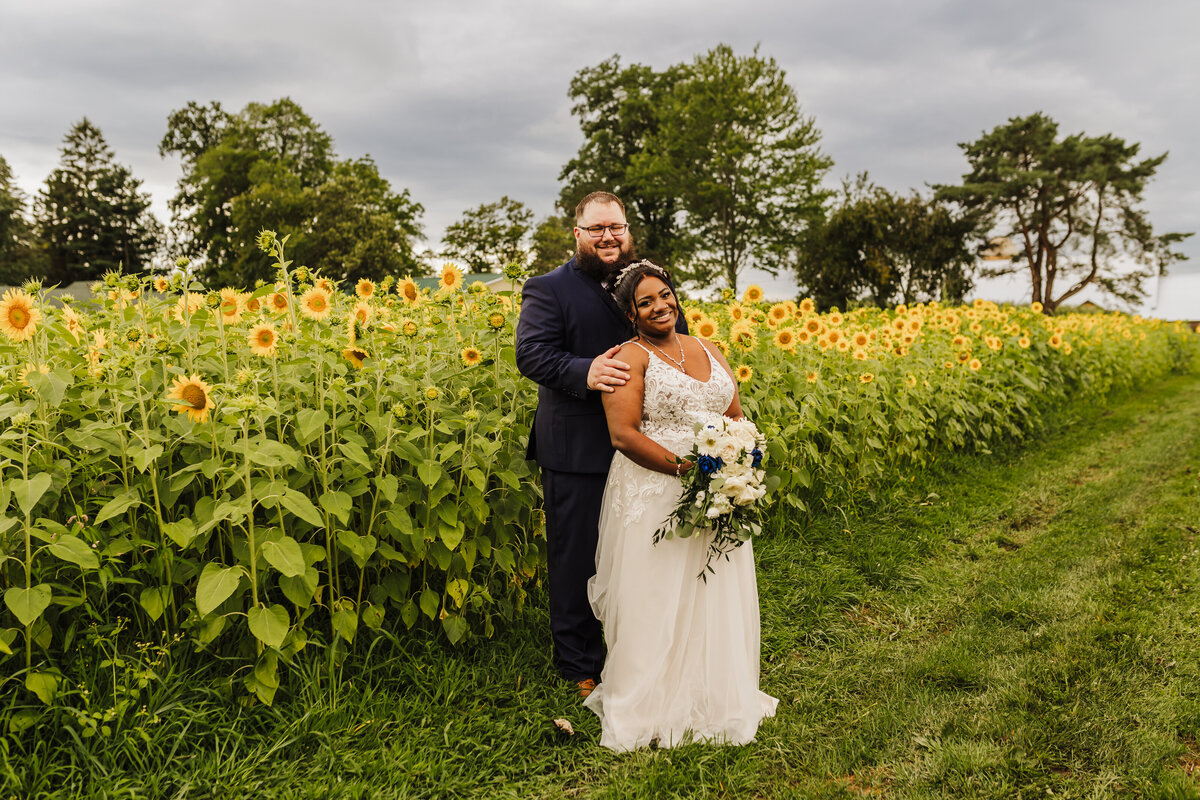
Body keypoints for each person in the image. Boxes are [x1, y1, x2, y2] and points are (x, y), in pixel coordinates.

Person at [583, 260, 777, 751]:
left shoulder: (707, 347)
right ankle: (651, 700)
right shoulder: (629, 357)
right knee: (658, 592)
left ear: (675, 296)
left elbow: (733, 414)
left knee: (713, 589)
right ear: (631, 313)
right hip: (659, 487)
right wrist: (691, 473)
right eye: (645, 302)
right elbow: (623, 435)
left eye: (664, 295)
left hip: (717, 488)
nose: (659, 306)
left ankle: (718, 693)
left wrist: (738, 464)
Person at [515, 192, 687, 697]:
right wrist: (585, 370)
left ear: (628, 230)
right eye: (597, 229)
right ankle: (578, 663)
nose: (608, 237)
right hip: (577, 446)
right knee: (577, 558)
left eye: (616, 227)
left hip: (645, 444)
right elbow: (531, 355)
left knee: (639, 554)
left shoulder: (649, 282)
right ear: (578, 234)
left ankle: (636, 651)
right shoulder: (548, 289)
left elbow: (673, 339)